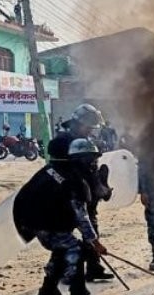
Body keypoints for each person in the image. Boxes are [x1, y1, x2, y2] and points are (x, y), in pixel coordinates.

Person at [13, 138, 106, 295]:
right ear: (80, 159)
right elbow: (81, 216)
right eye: (90, 159)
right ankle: (79, 293)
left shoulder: (51, 170)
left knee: (62, 249)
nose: (93, 163)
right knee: (77, 249)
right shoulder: (74, 181)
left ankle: (47, 292)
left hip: (31, 222)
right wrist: (94, 242)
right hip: (46, 223)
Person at [48, 104, 115, 283]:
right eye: (88, 127)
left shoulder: (87, 141)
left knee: (92, 230)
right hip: (68, 196)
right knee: (65, 236)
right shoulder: (60, 143)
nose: (90, 131)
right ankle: (61, 273)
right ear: (77, 124)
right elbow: (68, 170)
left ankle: (94, 268)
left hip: (87, 195)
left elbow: (91, 169)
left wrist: (101, 188)